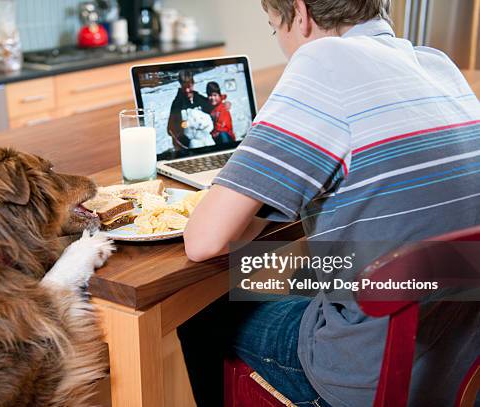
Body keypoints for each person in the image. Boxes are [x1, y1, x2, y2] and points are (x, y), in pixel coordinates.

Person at [179, 0, 480, 406]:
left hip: (372, 377)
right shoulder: (436, 64)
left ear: (300, 13)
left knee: (201, 314)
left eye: (274, 29)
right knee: (303, 274)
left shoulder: (324, 59)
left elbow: (204, 241)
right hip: (460, 364)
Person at [167, 70, 213, 150]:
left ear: (193, 83)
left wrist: (223, 102)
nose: (187, 90)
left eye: (189, 86)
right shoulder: (177, 104)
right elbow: (170, 129)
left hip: (205, 140)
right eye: (184, 87)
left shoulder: (199, 98)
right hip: (188, 146)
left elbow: (213, 108)